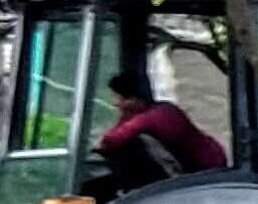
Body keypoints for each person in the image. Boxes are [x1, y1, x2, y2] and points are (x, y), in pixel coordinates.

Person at [96, 76, 226, 184]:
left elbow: (111, 140)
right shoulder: (151, 110)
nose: (115, 103)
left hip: (209, 166)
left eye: (119, 98)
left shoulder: (156, 116)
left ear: (134, 99)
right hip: (205, 160)